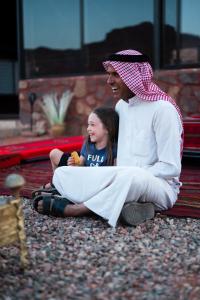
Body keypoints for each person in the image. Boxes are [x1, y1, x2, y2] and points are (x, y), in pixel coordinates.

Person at [35, 49, 183, 228]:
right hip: (119, 176)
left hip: (158, 186)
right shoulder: (121, 106)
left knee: (131, 177)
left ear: (134, 76)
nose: (109, 80)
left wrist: (124, 174)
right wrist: (105, 173)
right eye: (109, 74)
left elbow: (171, 167)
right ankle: (132, 207)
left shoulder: (163, 110)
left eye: (116, 74)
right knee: (63, 173)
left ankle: (77, 208)